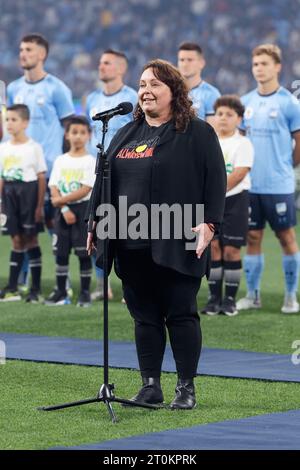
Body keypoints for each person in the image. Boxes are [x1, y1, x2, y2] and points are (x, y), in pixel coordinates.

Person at [87, 59, 226, 409]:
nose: (146, 90)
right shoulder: (125, 132)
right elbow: (103, 178)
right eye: (142, 84)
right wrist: (95, 222)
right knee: (144, 315)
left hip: (179, 235)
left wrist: (210, 224)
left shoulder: (197, 132)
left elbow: (216, 181)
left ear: (173, 91)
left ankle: (185, 387)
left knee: (180, 313)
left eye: (155, 85)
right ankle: (150, 385)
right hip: (130, 239)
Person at [6, 33, 75, 291]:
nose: (23, 53)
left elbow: (70, 129)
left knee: (54, 227)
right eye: (21, 49)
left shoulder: (57, 88)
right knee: (22, 231)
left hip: (49, 169)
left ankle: (63, 282)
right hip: (21, 173)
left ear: (42, 54)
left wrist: (64, 165)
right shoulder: (13, 88)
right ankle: (23, 282)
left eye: (29, 49)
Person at [237, 44, 300, 314]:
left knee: (286, 237)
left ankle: (290, 296)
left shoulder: (289, 102)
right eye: (255, 64)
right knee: (252, 237)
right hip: (251, 184)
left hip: (279, 185)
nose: (259, 69)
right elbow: (239, 142)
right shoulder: (245, 102)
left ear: (277, 67)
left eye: (264, 63)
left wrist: (286, 166)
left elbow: (299, 142)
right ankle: (253, 295)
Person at [86, 48, 138, 301]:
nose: (101, 66)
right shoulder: (92, 99)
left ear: (121, 68)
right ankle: (102, 285)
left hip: (127, 172)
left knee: (128, 227)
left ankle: (132, 285)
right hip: (100, 172)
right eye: (100, 62)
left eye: (107, 63)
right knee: (100, 226)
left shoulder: (133, 98)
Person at [202, 95, 254, 316]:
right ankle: (213, 298)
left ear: (239, 119)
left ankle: (230, 300)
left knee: (232, 250)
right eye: (220, 114)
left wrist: (214, 192)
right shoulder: (208, 140)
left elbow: (240, 173)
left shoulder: (243, 143)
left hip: (235, 201)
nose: (223, 118)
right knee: (213, 248)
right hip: (211, 202)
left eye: (229, 115)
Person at [45, 116, 95, 307]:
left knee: (84, 254)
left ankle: (84, 293)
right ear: (67, 135)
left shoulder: (90, 161)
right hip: (62, 212)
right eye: (74, 132)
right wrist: (63, 207)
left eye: (83, 133)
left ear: (89, 136)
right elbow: (54, 186)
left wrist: (59, 201)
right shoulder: (61, 160)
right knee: (61, 254)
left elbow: (85, 189)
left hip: (82, 210)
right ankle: (60, 291)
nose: (78, 137)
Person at [0, 104, 47, 302]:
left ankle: (35, 289)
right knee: (16, 240)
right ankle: (13, 287)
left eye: (13, 120)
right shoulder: (3, 147)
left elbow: (41, 178)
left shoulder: (33, 148)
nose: (9, 124)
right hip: (9, 195)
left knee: (31, 240)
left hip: (28, 193)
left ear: (25, 123)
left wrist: (39, 206)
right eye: (7, 120)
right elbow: (1, 177)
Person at [177, 42, 221, 126]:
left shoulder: (212, 94)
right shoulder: (171, 91)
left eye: (190, 60)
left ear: (201, 63)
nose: (185, 64)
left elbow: (212, 132)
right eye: (181, 60)